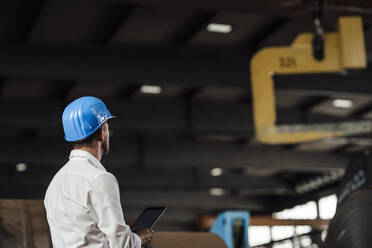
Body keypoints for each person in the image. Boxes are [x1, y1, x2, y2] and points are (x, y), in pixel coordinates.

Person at [44, 96, 154, 247]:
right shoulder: (99, 179)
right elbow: (122, 244)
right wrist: (140, 238)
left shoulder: (55, 183)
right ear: (102, 132)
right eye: (107, 127)